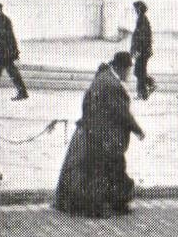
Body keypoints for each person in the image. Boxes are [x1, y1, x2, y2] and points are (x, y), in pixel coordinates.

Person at [55, 51, 145, 217]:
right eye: (128, 70)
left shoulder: (103, 78)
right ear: (122, 68)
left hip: (92, 133)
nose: (129, 74)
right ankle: (103, 207)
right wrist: (137, 130)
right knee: (103, 171)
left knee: (104, 170)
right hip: (102, 136)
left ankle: (115, 204)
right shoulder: (112, 85)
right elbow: (122, 112)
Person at [0, 3, 27, 100]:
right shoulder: (4, 20)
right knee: (11, 73)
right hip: (7, 51)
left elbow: (6, 36)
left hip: (5, 52)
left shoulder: (1, 21)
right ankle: (22, 92)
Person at [130, 1, 154, 100]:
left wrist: (138, 50)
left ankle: (143, 92)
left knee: (139, 72)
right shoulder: (142, 19)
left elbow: (142, 37)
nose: (135, 10)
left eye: (136, 8)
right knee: (139, 72)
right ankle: (147, 87)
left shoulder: (142, 20)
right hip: (143, 50)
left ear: (139, 9)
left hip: (142, 51)